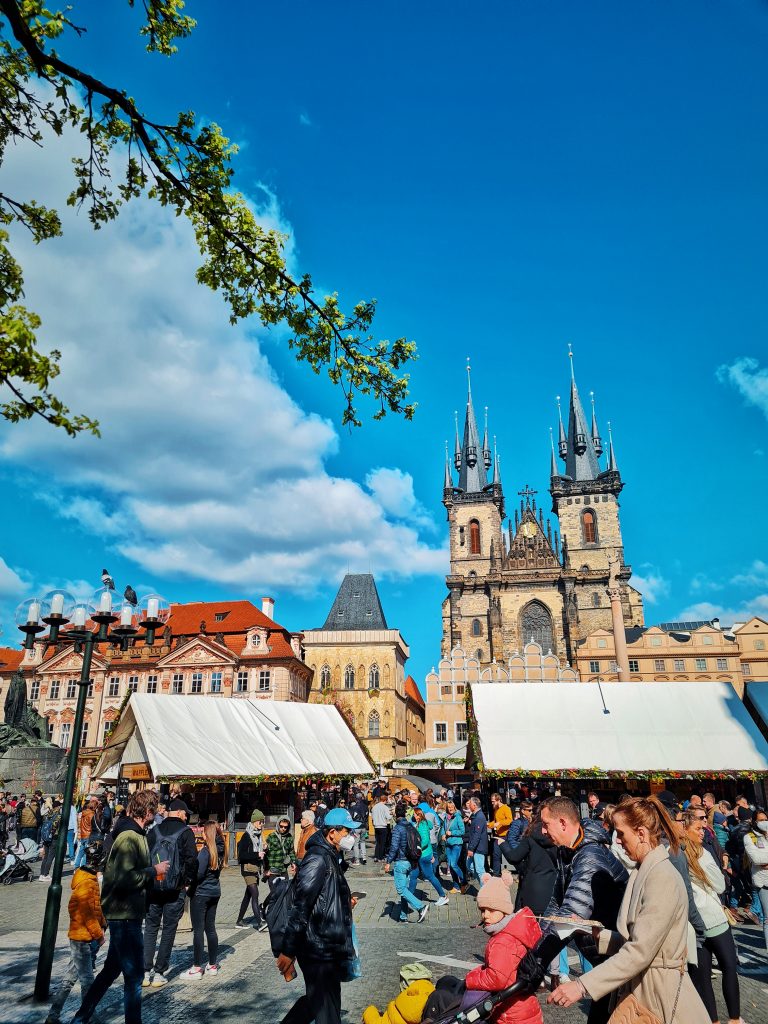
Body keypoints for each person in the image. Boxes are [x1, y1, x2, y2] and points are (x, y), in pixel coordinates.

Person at [547, 796, 708, 1024]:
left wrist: (582, 985)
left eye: (621, 833)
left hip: (657, 995)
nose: (618, 841)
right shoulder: (644, 870)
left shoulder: (660, 877)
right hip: (642, 988)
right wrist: (593, 932)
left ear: (641, 833)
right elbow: (640, 941)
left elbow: (640, 951)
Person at [73, 789, 169, 1024]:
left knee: (110, 972)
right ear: (146, 812)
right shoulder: (130, 837)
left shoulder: (133, 834)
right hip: (124, 915)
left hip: (125, 913)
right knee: (134, 977)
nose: (155, 815)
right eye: (154, 810)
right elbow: (124, 878)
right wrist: (153, 871)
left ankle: (80, 1018)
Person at [538, 797, 628, 1024]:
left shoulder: (589, 856)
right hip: (603, 958)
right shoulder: (567, 851)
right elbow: (556, 902)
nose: (543, 831)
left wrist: (537, 961)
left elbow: (570, 914)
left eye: (546, 824)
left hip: (617, 957)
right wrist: (535, 941)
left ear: (563, 823)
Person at [276, 806, 361, 1024]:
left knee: (320, 1003)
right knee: (326, 1009)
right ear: (332, 833)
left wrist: (344, 903)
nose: (350, 836)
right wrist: (288, 950)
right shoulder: (317, 859)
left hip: (328, 945)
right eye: (346, 831)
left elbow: (325, 896)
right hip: (317, 947)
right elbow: (301, 906)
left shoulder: (332, 855)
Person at [681, 808, 742, 1024]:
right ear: (685, 829)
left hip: (691, 922)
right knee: (728, 966)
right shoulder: (701, 853)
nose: (703, 832)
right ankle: (734, 1019)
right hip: (712, 919)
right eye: (698, 828)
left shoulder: (674, 855)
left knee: (702, 978)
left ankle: (712, 1021)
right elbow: (719, 884)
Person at [465, 874, 543, 1024]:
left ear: (505, 910)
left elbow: (497, 979)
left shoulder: (503, 941)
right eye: (482, 910)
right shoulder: (513, 932)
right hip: (524, 1008)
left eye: (491, 910)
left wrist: (469, 979)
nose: (485, 915)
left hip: (511, 1014)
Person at [46, 842, 106, 1024]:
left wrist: (102, 922)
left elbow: (95, 907)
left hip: (82, 935)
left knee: (69, 980)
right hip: (82, 937)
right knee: (88, 981)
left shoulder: (89, 879)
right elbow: (84, 912)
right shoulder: (86, 883)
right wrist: (99, 934)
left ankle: (53, 1016)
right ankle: (89, 1017)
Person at [142, 797, 198, 987]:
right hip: (176, 887)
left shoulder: (154, 830)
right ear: (180, 813)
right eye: (185, 813)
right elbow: (192, 859)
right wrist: (188, 882)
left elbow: (145, 855)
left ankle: (144, 970)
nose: (186, 816)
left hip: (154, 885)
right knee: (169, 928)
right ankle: (159, 972)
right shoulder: (186, 832)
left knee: (150, 927)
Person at [185, 821, 226, 979]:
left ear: (207, 833)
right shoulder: (220, 850)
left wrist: (189, 886)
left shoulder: (205, 852)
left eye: (203, 831)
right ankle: (212, 964)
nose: (201, 834)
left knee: (198, 930)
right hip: (215, 891)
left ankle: (196, 967)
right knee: (211, 928)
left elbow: (199, 874)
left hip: (201, 893)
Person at [384, 801, 428, 923]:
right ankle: (403, 916)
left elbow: (393, 847)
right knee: (406, 890)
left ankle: (421, 907)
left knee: (401, 890)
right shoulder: (410, 826)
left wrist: (388, 861)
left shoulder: (397, 828)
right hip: (410, 861)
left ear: (396, 815)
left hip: (401, 862)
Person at [408, 807, 449, 906]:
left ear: (418, 815)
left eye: (414, 814)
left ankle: (442, 896)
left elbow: (425, 840)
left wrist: (416, 849)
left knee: (430, 876)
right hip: (421, 855)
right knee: (413, 875)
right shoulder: (422, 823)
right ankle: (409, 896)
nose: (413, 815)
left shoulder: (422, 824)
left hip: (423, 855)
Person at [235, 809, 267, 931]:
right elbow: (241, 856)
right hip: (247, 869)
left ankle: (239, 920)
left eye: (263, 822)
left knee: (247, 895)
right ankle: (259, 923)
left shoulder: (259, 836)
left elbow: (259, 854)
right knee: (255, 894)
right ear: (254, 822)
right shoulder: (247, 836)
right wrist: (257, 854)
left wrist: (264, 849)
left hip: (255, 868)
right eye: (260, 822)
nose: (262, 824)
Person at [742, 808, 768, 953]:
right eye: (761, 820)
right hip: (763, 882)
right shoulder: (749, 837)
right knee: (767, 919)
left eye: (766, 820)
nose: (764, 823)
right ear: (754, 821)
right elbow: (757, 859)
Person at [462, 795, 489, 892]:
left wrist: (471, 848)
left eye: (470, 804)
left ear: (474, 805)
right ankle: (484, 889)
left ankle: (486, 892)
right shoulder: (476, 816)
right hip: (476, 847)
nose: (469, 806)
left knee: (480, 870)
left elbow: (476, 835)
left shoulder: (479, 817)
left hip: (478, 848)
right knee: (470, 866)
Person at [266, 817, 297, 883]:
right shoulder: (271, 836)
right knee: (274, 892)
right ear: (278, 825)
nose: (283, 829)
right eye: (281, 826)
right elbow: (266, 854)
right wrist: (266, 869)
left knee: (285, 891)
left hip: (283, 870)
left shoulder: (289, 837)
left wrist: (293, 863)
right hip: (272, 870)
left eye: (285, 827)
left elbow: (291, 852)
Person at [489, 793, 513, 877]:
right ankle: (496, 874)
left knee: (508, 855)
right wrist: (488, 825)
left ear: (498, 800)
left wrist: (500, 823)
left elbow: (510, 820)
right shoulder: (495, 809)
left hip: (505, 835)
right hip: (497, 835)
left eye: (493, 801)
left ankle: (512, 872)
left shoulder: (506, 808)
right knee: (496, 855)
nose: (492, 803)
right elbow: (495, 822)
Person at [443, 799, 466, 889]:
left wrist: (452, 833)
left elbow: (462, 831)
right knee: (450, 866)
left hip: (456, 843)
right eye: (448, 807)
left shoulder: (458, 817)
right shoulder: (446, 817)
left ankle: (464, 882)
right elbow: (444, 828)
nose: (450, 808)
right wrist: (443, 835)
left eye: (452, 807)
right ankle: (456, 886)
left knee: (453, 864)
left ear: (454, 807)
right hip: (448, 843)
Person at [38, 798, 63, 881]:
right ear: (58, 807)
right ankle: (46, 874)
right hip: (53, 837)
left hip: (45, 837)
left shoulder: (48, 814)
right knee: (50, 856)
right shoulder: (58, 816)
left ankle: (42, 874)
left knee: (45, 856)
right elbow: (55, 826)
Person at [349, 791, 369, 865]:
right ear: (362, 798)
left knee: (356, 844)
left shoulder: (353, 807)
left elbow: (351, 818)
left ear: (356, 799)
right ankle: (364, 858)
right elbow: (366, 817)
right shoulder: (366, 807)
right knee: (363, 842)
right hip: (363, 827)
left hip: (356, 827)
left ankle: (357, 860)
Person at [371, 792, 392, 862]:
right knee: (382, 843)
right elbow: (388, 817)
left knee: (378, 842)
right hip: (383, 826)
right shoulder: (385, 807)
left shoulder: (374, 807)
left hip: (376, 826)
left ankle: (376, 856)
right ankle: (380, 857)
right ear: (385, 800)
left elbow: (373, 817)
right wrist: (392, 814)